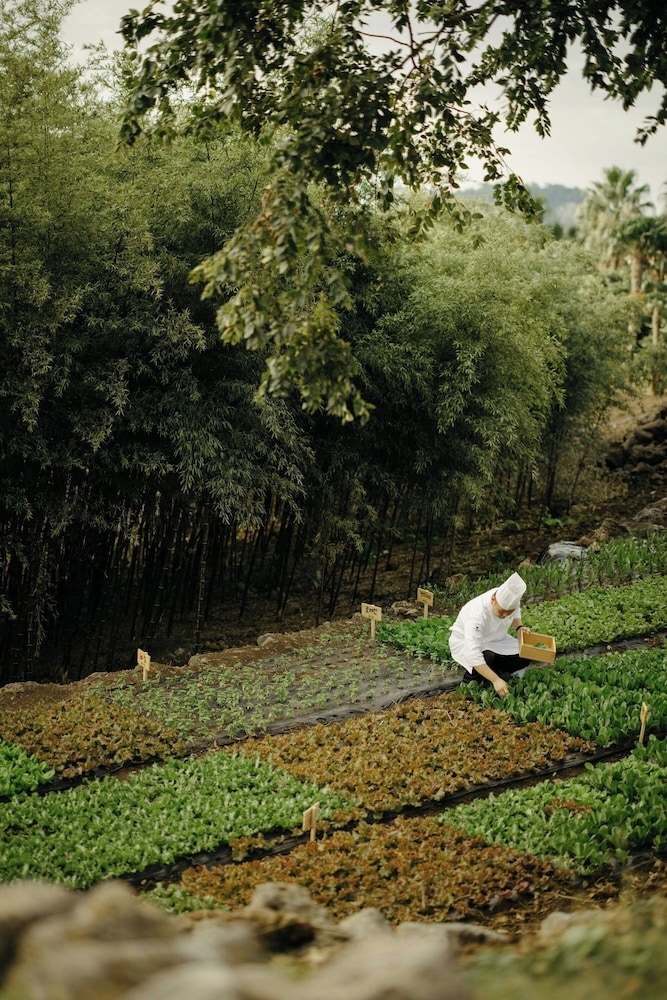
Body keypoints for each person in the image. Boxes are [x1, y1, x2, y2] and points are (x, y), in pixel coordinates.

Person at [448, 572, 532, 698]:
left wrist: (519, 627)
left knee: (525, 653)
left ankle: (493, 671)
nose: (504, 616)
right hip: (466, 642)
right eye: (501, 611)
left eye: (508, 613)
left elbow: (516, 612)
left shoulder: (510, 599)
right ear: (493, 600)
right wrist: (495, 680)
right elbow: (473, 653)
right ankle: (469, 682)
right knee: (487, 657)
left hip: (497, 639)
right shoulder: (477, 614)